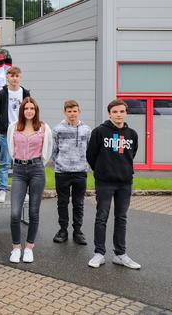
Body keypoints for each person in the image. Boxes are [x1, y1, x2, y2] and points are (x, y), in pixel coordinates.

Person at [87, 99, 140, 270]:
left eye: (121, 111)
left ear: (126, 113)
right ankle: (99, 253)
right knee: (101, 217)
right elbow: (91, 155)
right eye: (115, 112)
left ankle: (120, 254)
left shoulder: (132, 134)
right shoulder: (99, 132)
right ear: (109, 113)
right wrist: (102, 171)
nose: (118, 115)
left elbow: (132, 154)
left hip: (125, 182)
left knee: (121, 218)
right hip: (105, 182)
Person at [8, 97, 53, 264]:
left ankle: (29, 248)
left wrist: (38, 164)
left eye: (31, 109)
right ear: (22, 110)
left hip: (36, 170)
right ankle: (16, 248)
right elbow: (11, 149)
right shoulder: (13, 127)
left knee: (34, 211)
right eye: (26, 108)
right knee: (14, 213)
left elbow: (47, 150)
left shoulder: (43, 128)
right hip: (19, 170)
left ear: (36, 111)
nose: (29, 111)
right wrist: (18, 162)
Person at [51, 100, 91, 245]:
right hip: (62, 172)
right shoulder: (57, 129)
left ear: (79, 112)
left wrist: (84, 164)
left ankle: (78, 231)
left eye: (75, 111)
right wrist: (61, 162)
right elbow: (53, 151)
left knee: (78, 203)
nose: (72, 114)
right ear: (65, 112)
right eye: (69, 111)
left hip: (80, 172)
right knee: (62, 202)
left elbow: (90, 150)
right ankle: (62, 230)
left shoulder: (86, 130)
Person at [0, 67, 30, 203]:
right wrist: (2, 122)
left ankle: (23, 191)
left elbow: (31, 110)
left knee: (22, 164)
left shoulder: (25, 93)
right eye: (12, 75)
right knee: (5, 163)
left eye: (17, 76)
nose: (14, 78)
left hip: (22, 133)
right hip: (6, 133)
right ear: (7, 77)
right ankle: (2, 190)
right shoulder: (2, 93)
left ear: (20, 77)